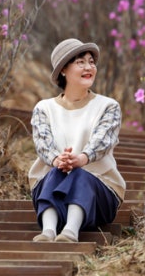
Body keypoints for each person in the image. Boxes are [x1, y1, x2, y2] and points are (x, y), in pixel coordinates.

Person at [28, 38, 126, 243]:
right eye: (80, 62)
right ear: (63, 69)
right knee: (57, 171)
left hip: (100, 194)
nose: (89, 67)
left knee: (80, 174)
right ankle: (48, 231)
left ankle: (71, 231)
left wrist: (81, 159)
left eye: (91, 62)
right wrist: (57, 160)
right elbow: (43, 144)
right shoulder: (44, 108)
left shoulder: (108, 106)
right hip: (50, 186)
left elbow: (103, 141)